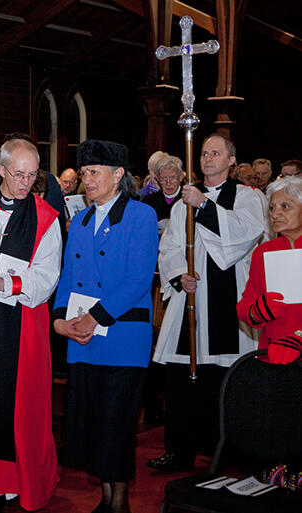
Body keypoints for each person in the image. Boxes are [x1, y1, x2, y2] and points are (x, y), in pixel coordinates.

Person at [149, 133, 269, 472]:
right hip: (191, 296)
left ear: (232, 161)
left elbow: (245, 236)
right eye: (203, 153)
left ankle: (226, 451)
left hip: (228, 296)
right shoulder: (183, 201)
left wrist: (203, 205)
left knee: (225, 378)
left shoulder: (247, 196)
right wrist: (178, 276)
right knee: (181, 378)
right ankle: (179, 450)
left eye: (215, 153)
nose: (207, 158)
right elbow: (170, 247)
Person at [52, 140, 158, 513]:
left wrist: (93, 317)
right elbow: (67, 277)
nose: (86, 180)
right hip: (83, 338)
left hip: (123, 338)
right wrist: (61, 321)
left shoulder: (140, 216)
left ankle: (120, 502)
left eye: (94, 172)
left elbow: (138, 280)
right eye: (83, 174)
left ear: (118, 175)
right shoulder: (79, 220)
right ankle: (105, 498)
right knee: (93, 423)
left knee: (117, 422)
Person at [0, 137, 61, 513]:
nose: (25, 183)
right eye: (18, 174)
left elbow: (48, 278)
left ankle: (13, 484)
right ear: (0, 170)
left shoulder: (46, 217)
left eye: (32, 176)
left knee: (12, 406)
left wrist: (3, 283)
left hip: (19, 325)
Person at [236, 176, 302, 363]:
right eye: (272, 208)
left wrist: (299, 337)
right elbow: (245, 305)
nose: (275, 214)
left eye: (285, 207)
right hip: (272, 354)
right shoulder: (264, 251)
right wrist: (256, 311)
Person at [142, 154, 184, 229]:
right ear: (157, 178)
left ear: (180, 177)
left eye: (172, 177)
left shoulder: (189, 199)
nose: (168, 183)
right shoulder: (148, 202)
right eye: (163, 178)